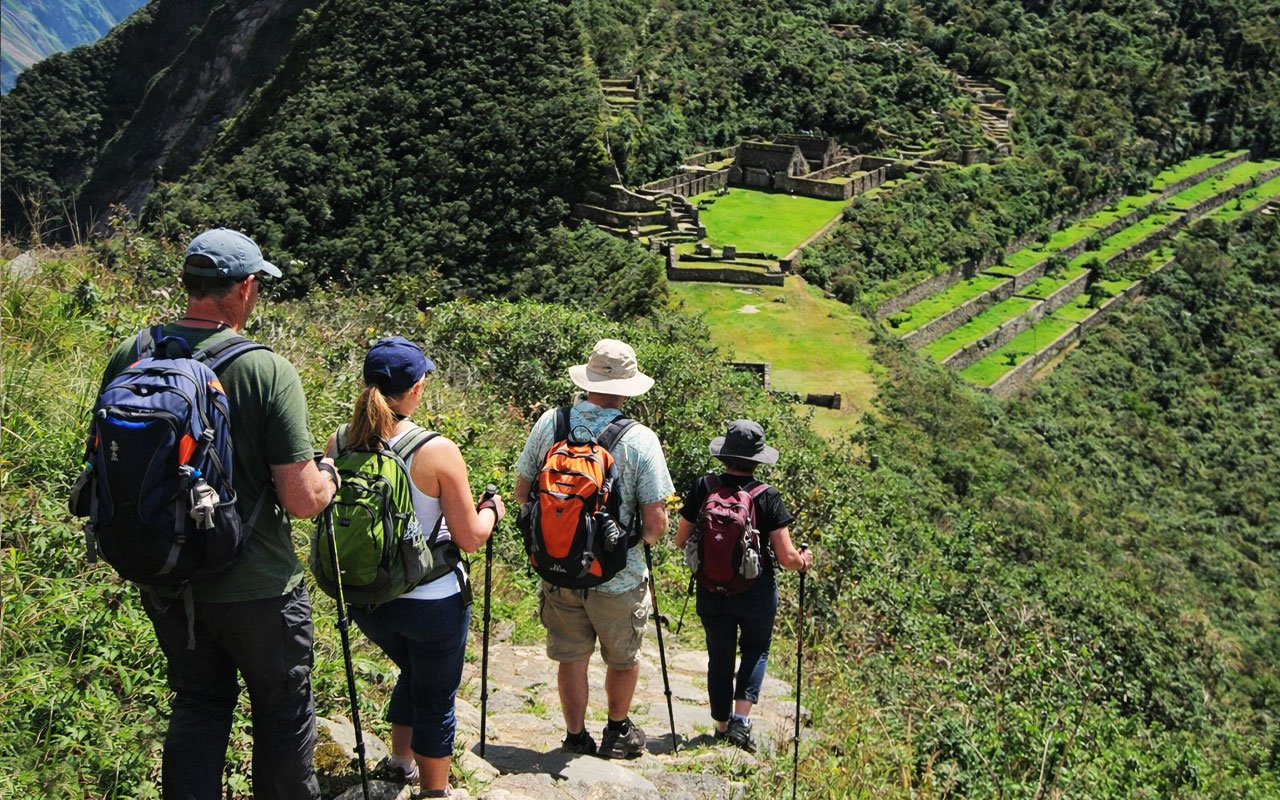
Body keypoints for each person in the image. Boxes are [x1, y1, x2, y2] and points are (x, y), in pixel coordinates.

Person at [95, 228, 339, 799]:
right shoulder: (265, 370)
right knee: (281, 713)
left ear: (188, 284)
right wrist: (328, 475)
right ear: (246, 288)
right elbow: (301, 500)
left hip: (164, 573)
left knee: (199, 704)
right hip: (257, 587)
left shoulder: (133, 353)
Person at [327, 336, 504, 797]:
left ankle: (401, 760)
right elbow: (469, 537)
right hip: (431, 603)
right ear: (417, 388)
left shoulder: (340, 440)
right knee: (435, 696)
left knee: (414, 671)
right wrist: (493, 512)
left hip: (367, 598)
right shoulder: (436, 450)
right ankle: (435, 791)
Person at [515, 339, 674, 759]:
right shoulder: (641, 440)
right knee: (622, 658)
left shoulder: (552, 422)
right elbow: (656, 526)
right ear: (627, 388)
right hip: (618, 577)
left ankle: (574, 736)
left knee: (572, 656)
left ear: (588, 379)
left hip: (557, 566)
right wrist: (621, 538)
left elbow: (522, 492)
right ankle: (617, 732)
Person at [673, 419, 813, 752]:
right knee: (755, 650)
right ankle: (741, 722)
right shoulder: (766, 496)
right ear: (757, 459)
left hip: (710, 587)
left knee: (718, 654)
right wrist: (804, 560)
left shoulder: (703, 487)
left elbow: (681, 540)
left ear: (724, 455)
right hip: (756, 590)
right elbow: (786, 556)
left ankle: (720, 725)